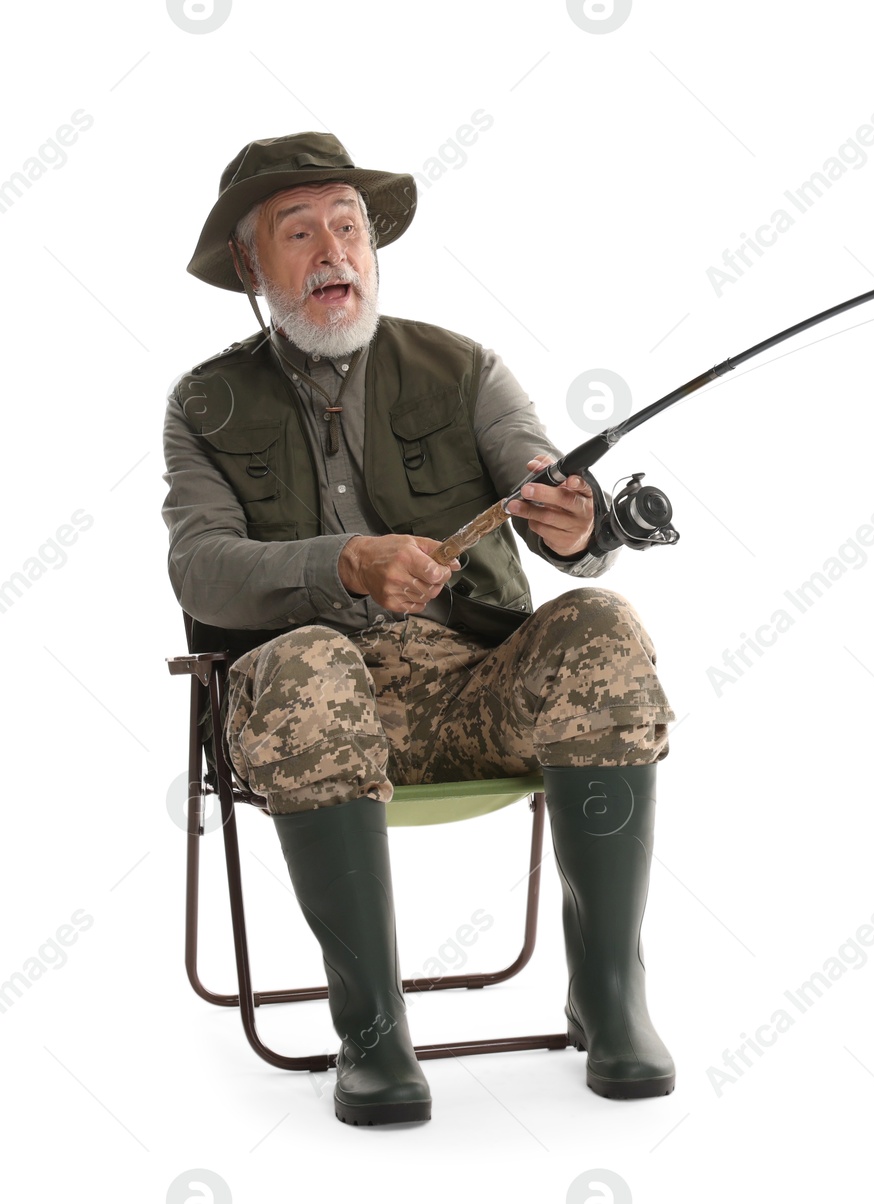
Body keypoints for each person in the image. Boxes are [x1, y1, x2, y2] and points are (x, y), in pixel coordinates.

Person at [161, 131, 677, 1125]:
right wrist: (340, 565)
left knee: (603, 625)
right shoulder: (204, 405)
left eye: (349, 227)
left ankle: (610, 999)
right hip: (309, 710)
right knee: (310, 659)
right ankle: (370, 1034)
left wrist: (579, 523)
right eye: (299, 231)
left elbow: (549, 485)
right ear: (247, 263)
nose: (333, 253)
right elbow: (199, 567)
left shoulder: (464, 367)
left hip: (474, 693)